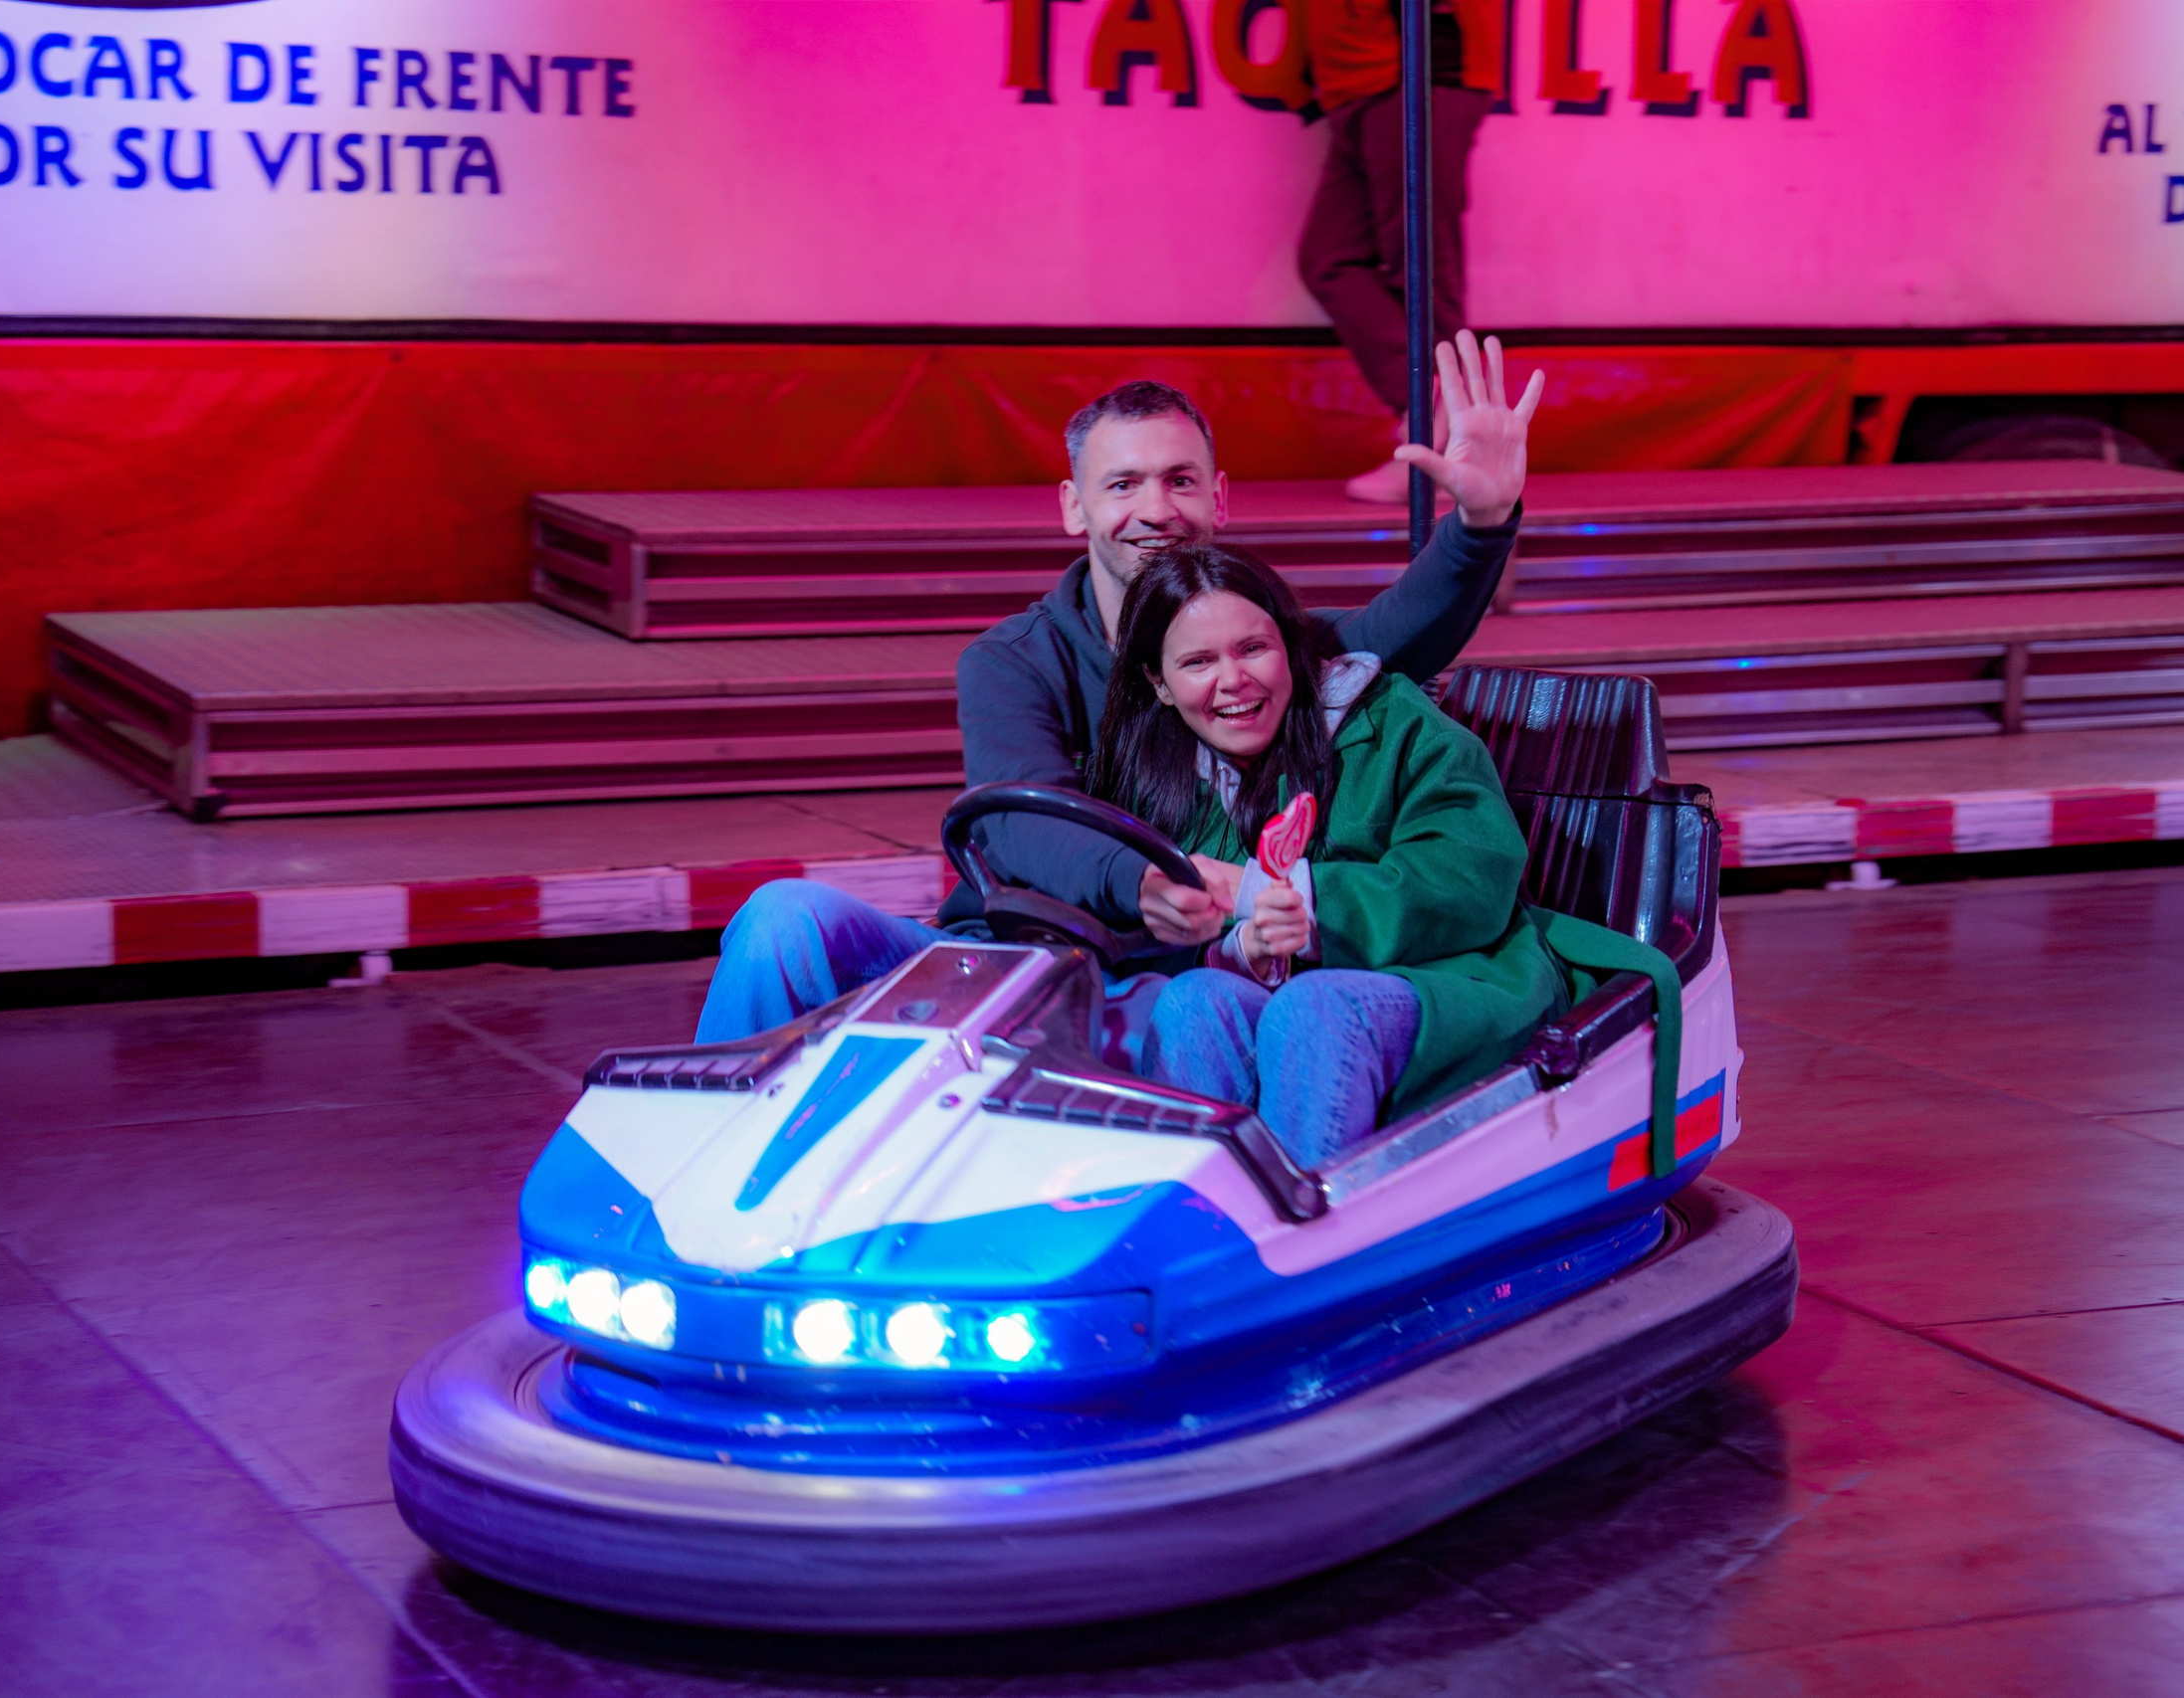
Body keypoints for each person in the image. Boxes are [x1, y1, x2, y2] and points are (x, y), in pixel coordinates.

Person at [695, 333, 1544, 1043]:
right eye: (1122, 484)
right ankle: (702, 1170)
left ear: (1219, 499)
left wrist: (1480, 524)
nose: (1155, 509)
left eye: (1179, 480)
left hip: (1156, 984)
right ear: (1074, 507)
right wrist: (1146, 884)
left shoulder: (1259, 650)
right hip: (1009, 961)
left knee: (1207, 1011)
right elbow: (1022, 823)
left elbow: (1395, 637)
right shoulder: (1012, 661)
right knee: (782, 917)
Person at [1093, 540, 1660, 1169]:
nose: (1233, 680)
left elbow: (1472, 876)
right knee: (1193, 1000)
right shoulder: (1161, 777)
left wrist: (1296, 901)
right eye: (1199, 661)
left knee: (1316, 1012)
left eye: (1253, 648)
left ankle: (1314, 1250)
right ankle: (1210, 1235)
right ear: (1160, 683)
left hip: (1455, 975)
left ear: (1289, 643)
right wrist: (1241, 952)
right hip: (1301, 997)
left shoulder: (1388, 718)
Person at [1298, 0, 1506, 504]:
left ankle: (1446, 444)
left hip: (1417, 71)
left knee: (1423, 266)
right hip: (1361, 83)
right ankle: (1432, 410)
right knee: (1330, 259)